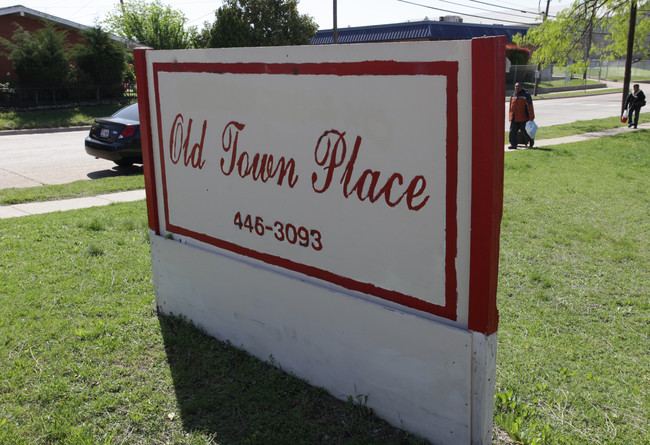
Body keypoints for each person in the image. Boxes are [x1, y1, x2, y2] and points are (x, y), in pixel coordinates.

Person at [508, 82, 535, 150]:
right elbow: (511, 107)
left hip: (523, 118)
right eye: (516, 86)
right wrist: (510, 116)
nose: (517, 88)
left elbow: (530, 107)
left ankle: (531, 141)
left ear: (522, 87)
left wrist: (531, 117)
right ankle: (513, 145)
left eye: (518, 86)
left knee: (525, 132)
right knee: (512, 132)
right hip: (514, 118)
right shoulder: (513, 95)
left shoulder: (526, 95)